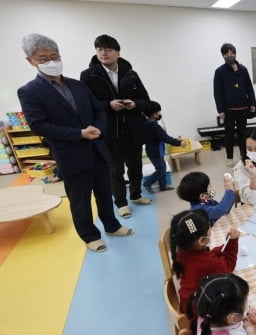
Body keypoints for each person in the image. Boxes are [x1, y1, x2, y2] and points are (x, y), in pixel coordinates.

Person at [17, 33, 133, 253]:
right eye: (43, 59)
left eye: (55, 56)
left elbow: (98, 109)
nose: (51, 62)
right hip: (71, 154)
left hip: (97, 148)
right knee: (80, 200)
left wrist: (99, 128)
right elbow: (39, 125)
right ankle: (89, 236)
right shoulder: (29, 91)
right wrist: (79, 133)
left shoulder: (77, 85)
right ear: (30, 61)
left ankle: (112, 225)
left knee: (104, 192)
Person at [80, 34, 152, 219]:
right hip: (109, 131)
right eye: (99, 49)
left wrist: (135, 104)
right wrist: (108, 105)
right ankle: (121, 203)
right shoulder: (88, 75)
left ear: (117, 53)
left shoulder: (131, 74)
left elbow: (146, 100)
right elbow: (86, 104)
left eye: (108, 49)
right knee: (115, 170)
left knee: (136, 167)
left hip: (133, 129)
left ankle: (136, 195)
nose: (103, 53)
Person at [170, 209, 239, 312]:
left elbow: (205, 256)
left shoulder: (182, 249)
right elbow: (228, 266)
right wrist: (233, 242)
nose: (211, 230)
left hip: (188, 302)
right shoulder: (207, 264)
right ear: (201, 241)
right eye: (209, 229)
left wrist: (226, 245)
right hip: (198, 311)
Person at [214, 43, 256, 168]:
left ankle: (244, 156)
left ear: (235, 53)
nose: (230, 56)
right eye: (226, 54)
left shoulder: (243, 69)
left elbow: (249, 87)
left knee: (243, 134)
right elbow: (217, 92)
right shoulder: (219, 72)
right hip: (228, 110)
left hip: (243, 108)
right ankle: (229, 158)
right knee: (228, 135)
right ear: (223, 55)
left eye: (232, 53)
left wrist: (252, 103)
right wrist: (220, 109)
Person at [142, 101, 185, 193]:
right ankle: (147, 183)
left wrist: (175, 140)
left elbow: (162, 136)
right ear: (154, 114)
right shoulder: (153, 125)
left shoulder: (148, 123)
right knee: (161, 169)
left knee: (163, 167)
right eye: (159, 112)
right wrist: (179, 143)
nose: (160, 114)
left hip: (155, 151)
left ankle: (163, 186)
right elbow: (165, 138)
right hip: (155, 152)